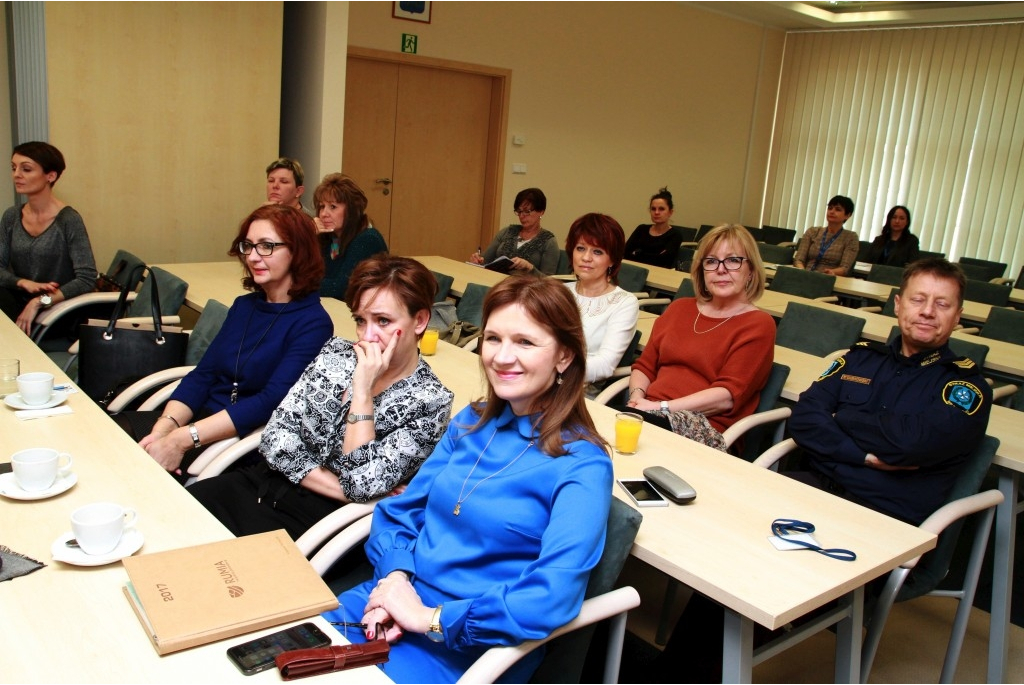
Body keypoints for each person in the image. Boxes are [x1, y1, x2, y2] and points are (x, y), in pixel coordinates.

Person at [653, 259, 992, 684]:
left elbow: (909, 445)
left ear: (957, 317)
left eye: (941, 304)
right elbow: (806, 419)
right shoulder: (857, 359)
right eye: (918, 299)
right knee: (726, 551)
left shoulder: (965, 387)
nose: (927, 311)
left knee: (757, 572)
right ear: (898, 304)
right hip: (811, 493)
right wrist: (865, 453)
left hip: (879, 521)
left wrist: (842, 422)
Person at [324, 275, 613, 683]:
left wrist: (429, 619)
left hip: (471, 646)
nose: (501, 356)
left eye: (525, 342)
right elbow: (402, 512)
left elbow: (551, 596)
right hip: (388, 605)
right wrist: (393, 582)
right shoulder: (472, 422)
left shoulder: (582, 465)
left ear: (564, 356)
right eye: (493, 338)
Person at [187, 255, 455, 539]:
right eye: (361, 321)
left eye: (383, 321)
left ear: (420, 320)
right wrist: (340, 486)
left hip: (324, 522)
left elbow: (360, 485)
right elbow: (275, 438)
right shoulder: (336, 353)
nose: (368, 336)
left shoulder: (430, 402)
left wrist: (362, 390)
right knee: (175, 516)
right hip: (262, 482)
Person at [126, 204, 333, 479]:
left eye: (267, 246)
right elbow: (204, 374)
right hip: (196, 421)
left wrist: (181, 439)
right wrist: (164, 427)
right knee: (110, 439)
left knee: (133, 471)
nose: (254, 257)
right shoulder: (244, 306)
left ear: (298, 252)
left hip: (235, 440)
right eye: (248, 246)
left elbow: (270, 402)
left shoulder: (313, 323)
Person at [623, 224, 775, 449]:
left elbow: (726, 397)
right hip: (650, 411)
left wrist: (660, 408)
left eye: (733, 260)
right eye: (711, 261)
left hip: (705, 427)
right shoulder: (679, 309)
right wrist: (637, 398)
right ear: (701, 270)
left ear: (751, 270)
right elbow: (645, 366)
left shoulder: (759, 325)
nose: (721, 269)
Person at [0, 141, 97, 335]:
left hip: (57, 309)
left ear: (50, 176)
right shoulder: (11, 216)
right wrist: (23, 283)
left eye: (26, 169)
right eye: (14, 167)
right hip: (17, 303)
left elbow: (87, 278)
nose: (16, 174)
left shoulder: (68, 220)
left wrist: (40, 300)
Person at [563, 213, 639, 395]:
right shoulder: (560, 292)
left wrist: (549, 369)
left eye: (597, 251)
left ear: (612, 259)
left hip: (578, 393)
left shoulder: (625, 303)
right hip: (536, 381)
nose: (586, 258)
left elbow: (605, 365)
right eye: (580, 248)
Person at [313, 173, 388, 300]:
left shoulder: (367, 239)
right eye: (322, 206)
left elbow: (341, 288)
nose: (324, 214)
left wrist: (299, 285)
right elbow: (310, 274)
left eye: (333, 207)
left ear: (352, 210)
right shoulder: (333, 239)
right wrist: (310, 238)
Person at [468, 187, 558, 275]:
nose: (522, 216)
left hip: (525, 288)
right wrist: (477, 261)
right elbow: (485, 260)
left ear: (541, 212)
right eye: (519, 211)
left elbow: (549, 283)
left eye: (527, 211)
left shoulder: (548, 241)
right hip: (495, 282)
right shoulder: (507, 231)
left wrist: (530, 268)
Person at [792, 194, 859, 276]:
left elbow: (845, 268)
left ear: (847, 215)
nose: (832, 212)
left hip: (829, 277)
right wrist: (802, 272)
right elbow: (799, 259)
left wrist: (832, 272)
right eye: (830, 208)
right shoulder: (812, 231)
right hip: (805, 274)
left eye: (838, 210)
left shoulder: (851, 237)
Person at [623, 187, 685, 268]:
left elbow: (663, 262)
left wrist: (638, 253)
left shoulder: (675, 235)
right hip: (634, 271)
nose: (656, 212)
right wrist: (652, 256)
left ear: (670, 212)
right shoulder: (641, 229)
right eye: (653, 209)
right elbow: (625, 253)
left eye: (661, 209)